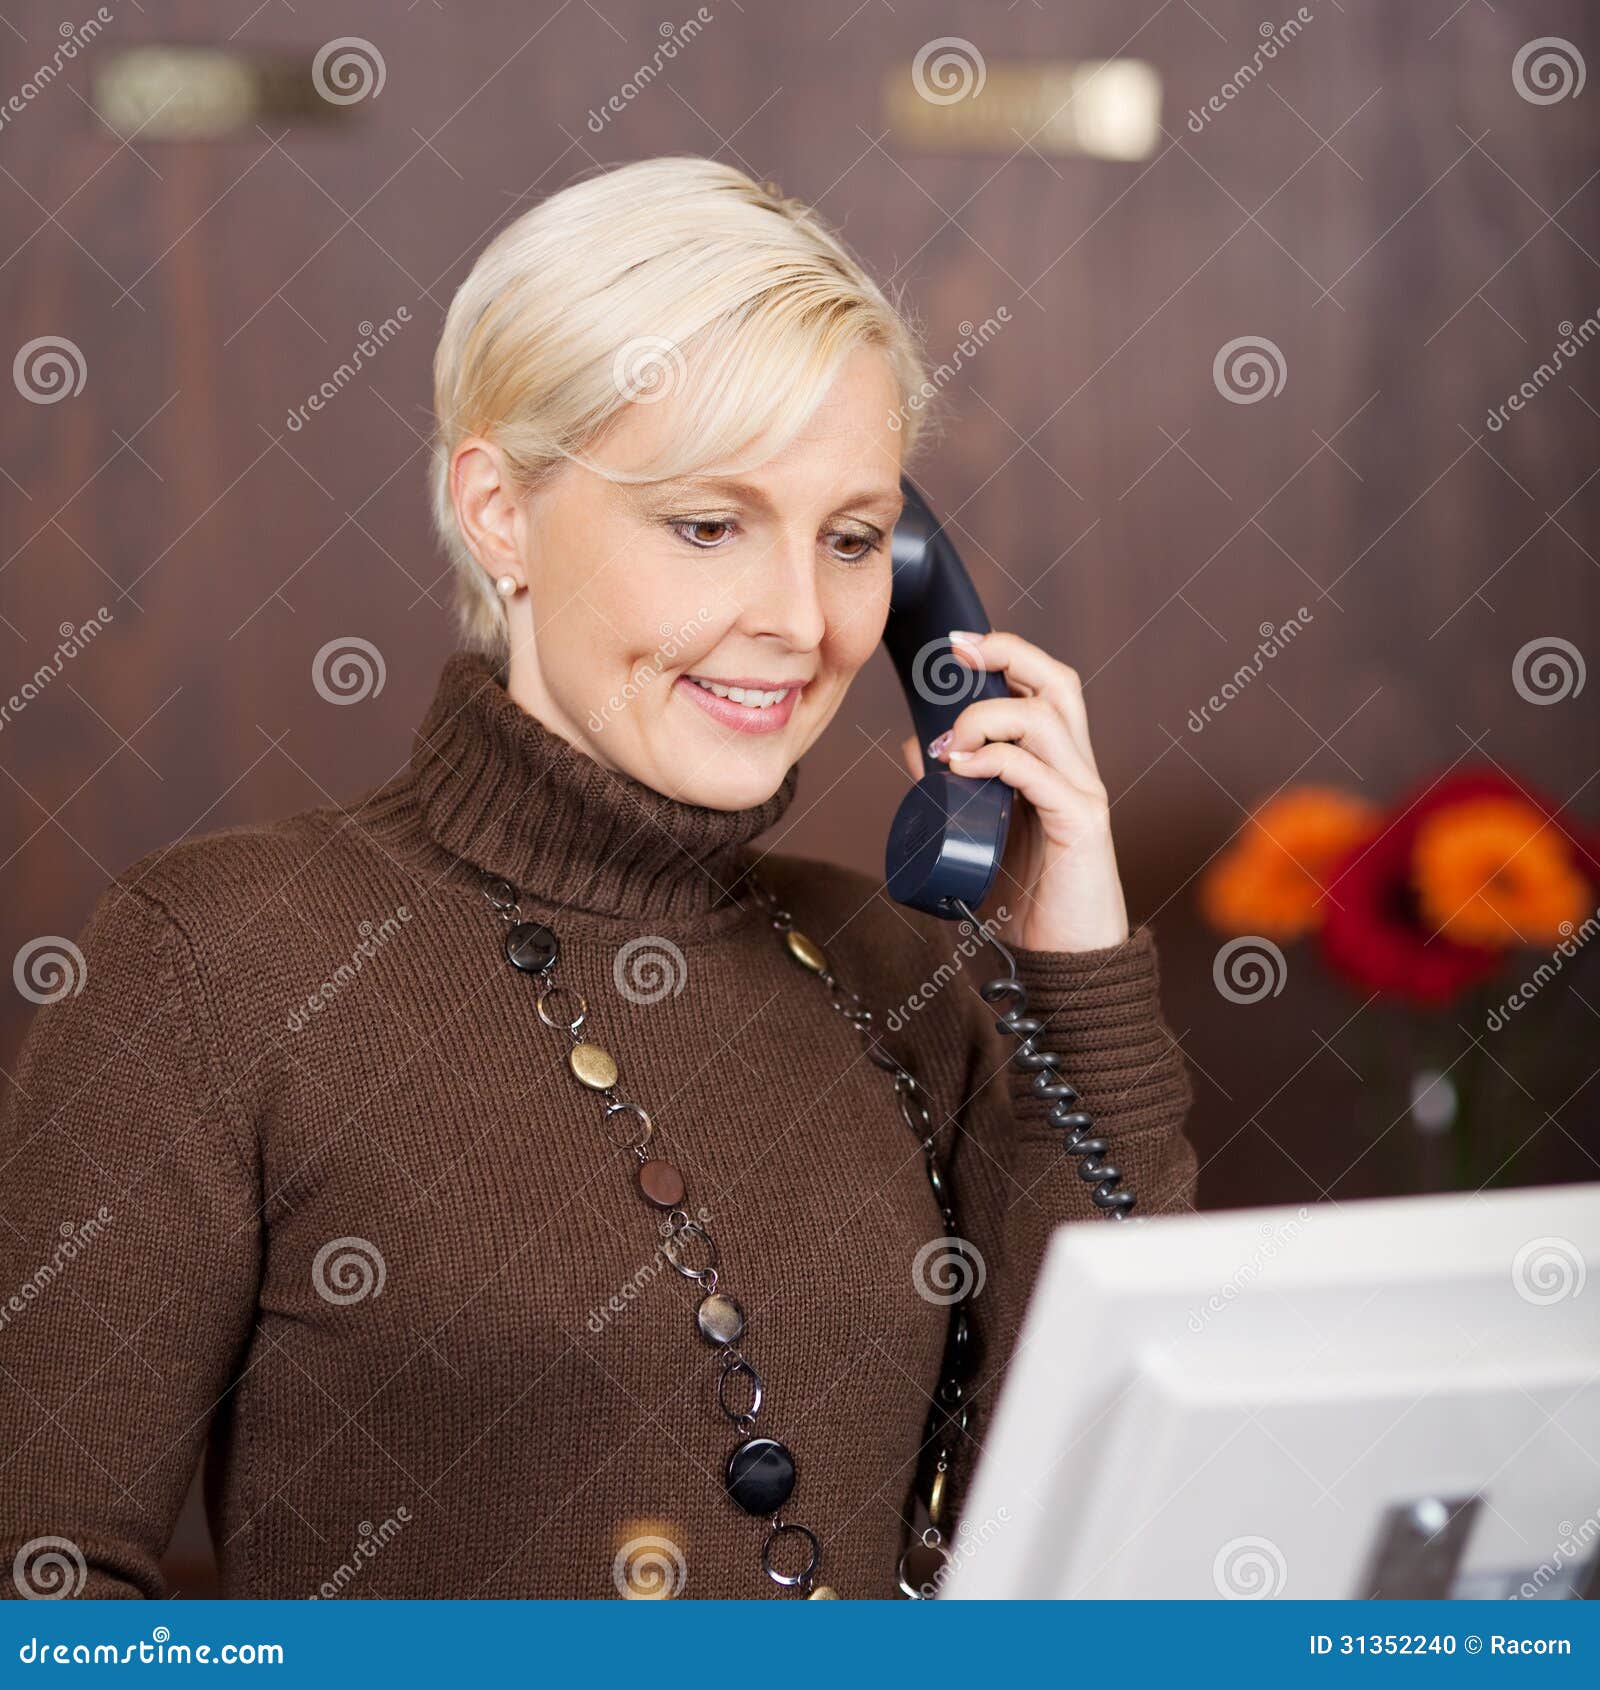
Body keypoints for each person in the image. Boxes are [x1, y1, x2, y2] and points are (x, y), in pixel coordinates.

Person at [0, 156, 1197, 1601]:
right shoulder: (216, 960)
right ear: (499, 512)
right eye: (708, 525)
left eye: (851, 539)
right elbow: (42, 1593)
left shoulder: (895, 969)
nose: (801, 619)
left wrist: (1073, 974)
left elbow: (1111, 1526)